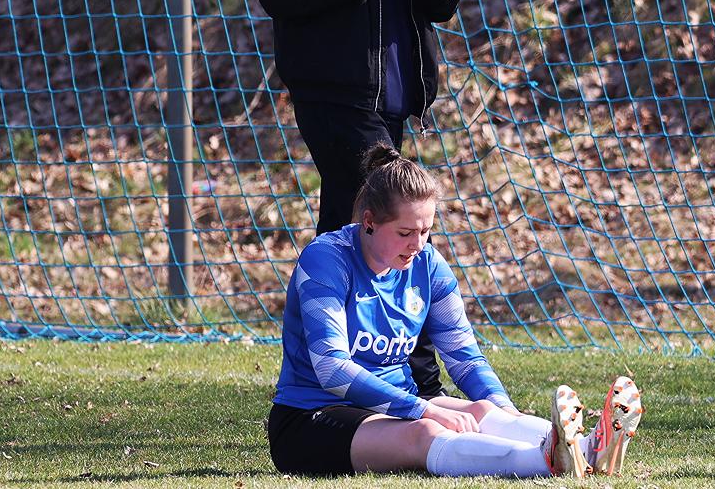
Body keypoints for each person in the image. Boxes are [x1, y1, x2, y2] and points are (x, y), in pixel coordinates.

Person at [256, 0, 462, 418]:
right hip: (334, 98)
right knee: (399, 221)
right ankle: (422, 385)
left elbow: (443, 5)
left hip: (393, 102)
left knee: (344, 238)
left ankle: (323, 384)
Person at [267, 144, 645, 477]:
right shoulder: (326, 260)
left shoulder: (428, 265)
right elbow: (332, 369)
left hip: (395, 407)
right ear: (369, 222)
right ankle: (548, 460)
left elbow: (464, 358)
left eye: (426, 231)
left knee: (480, 410)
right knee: (426, 431)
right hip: (311, 418)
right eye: (405, 233)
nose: (417, 245)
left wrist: (506, 411)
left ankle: (587, 448)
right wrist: (422, 409)